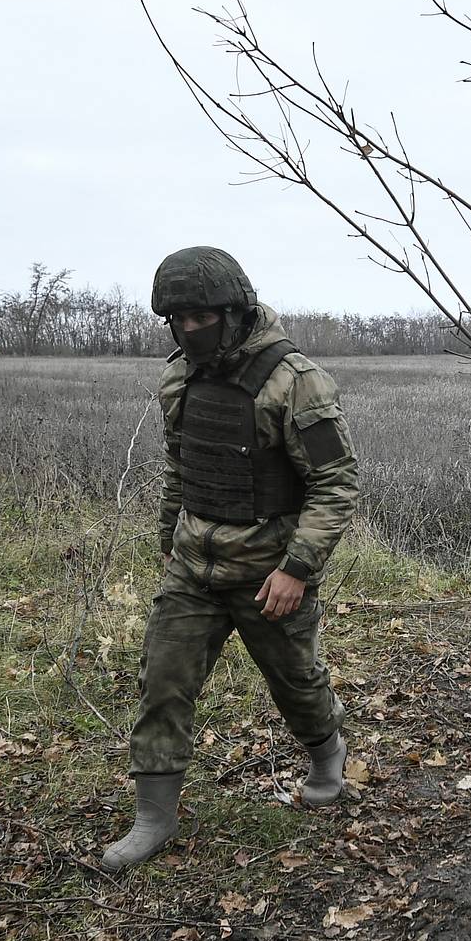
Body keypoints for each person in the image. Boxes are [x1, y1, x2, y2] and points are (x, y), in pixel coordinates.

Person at [102, 246, 359, 872]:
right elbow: (181, 468)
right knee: (162, 683)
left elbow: (337, 483)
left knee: (295, 683)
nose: (189, 330)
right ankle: (154, 817)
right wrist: (170, 540)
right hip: (193, 566)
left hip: (269, 570)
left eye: (202, 317)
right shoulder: (177, 379)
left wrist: (297, 569)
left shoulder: (294, 381)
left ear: (235, 308)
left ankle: (328, 754)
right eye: (177, 319)